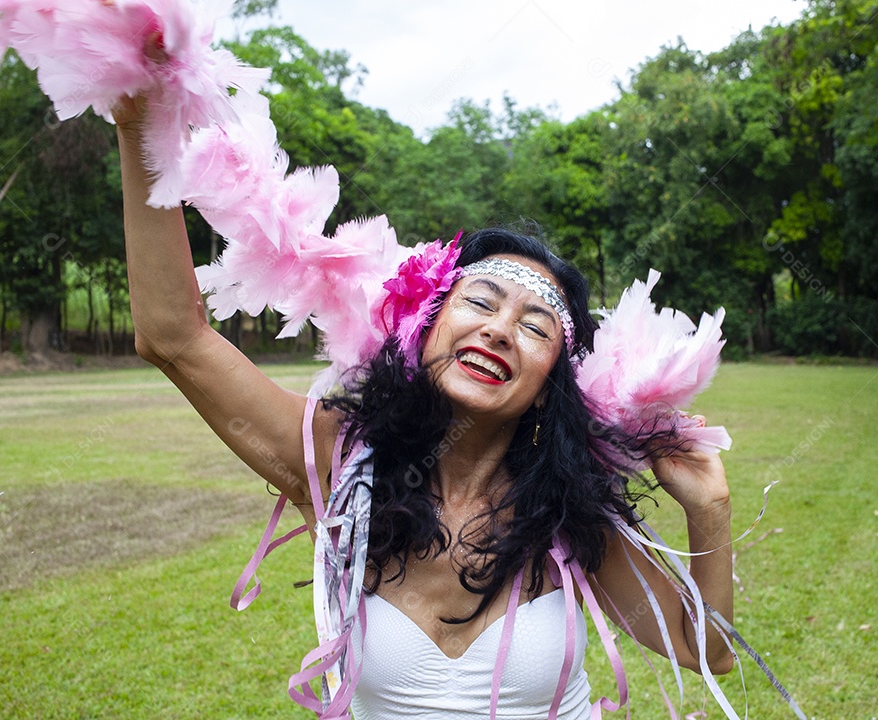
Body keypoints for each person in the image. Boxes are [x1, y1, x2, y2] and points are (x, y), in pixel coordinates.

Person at [113, 86, 734, 718]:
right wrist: (139, 121)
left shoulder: (571, 511)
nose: (498, 329)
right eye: (481, 301)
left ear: (551, 384)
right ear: (424, 324)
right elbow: (173, 336)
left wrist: (709, 508)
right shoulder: (335, 461)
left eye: (535, 327)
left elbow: (704, 649)